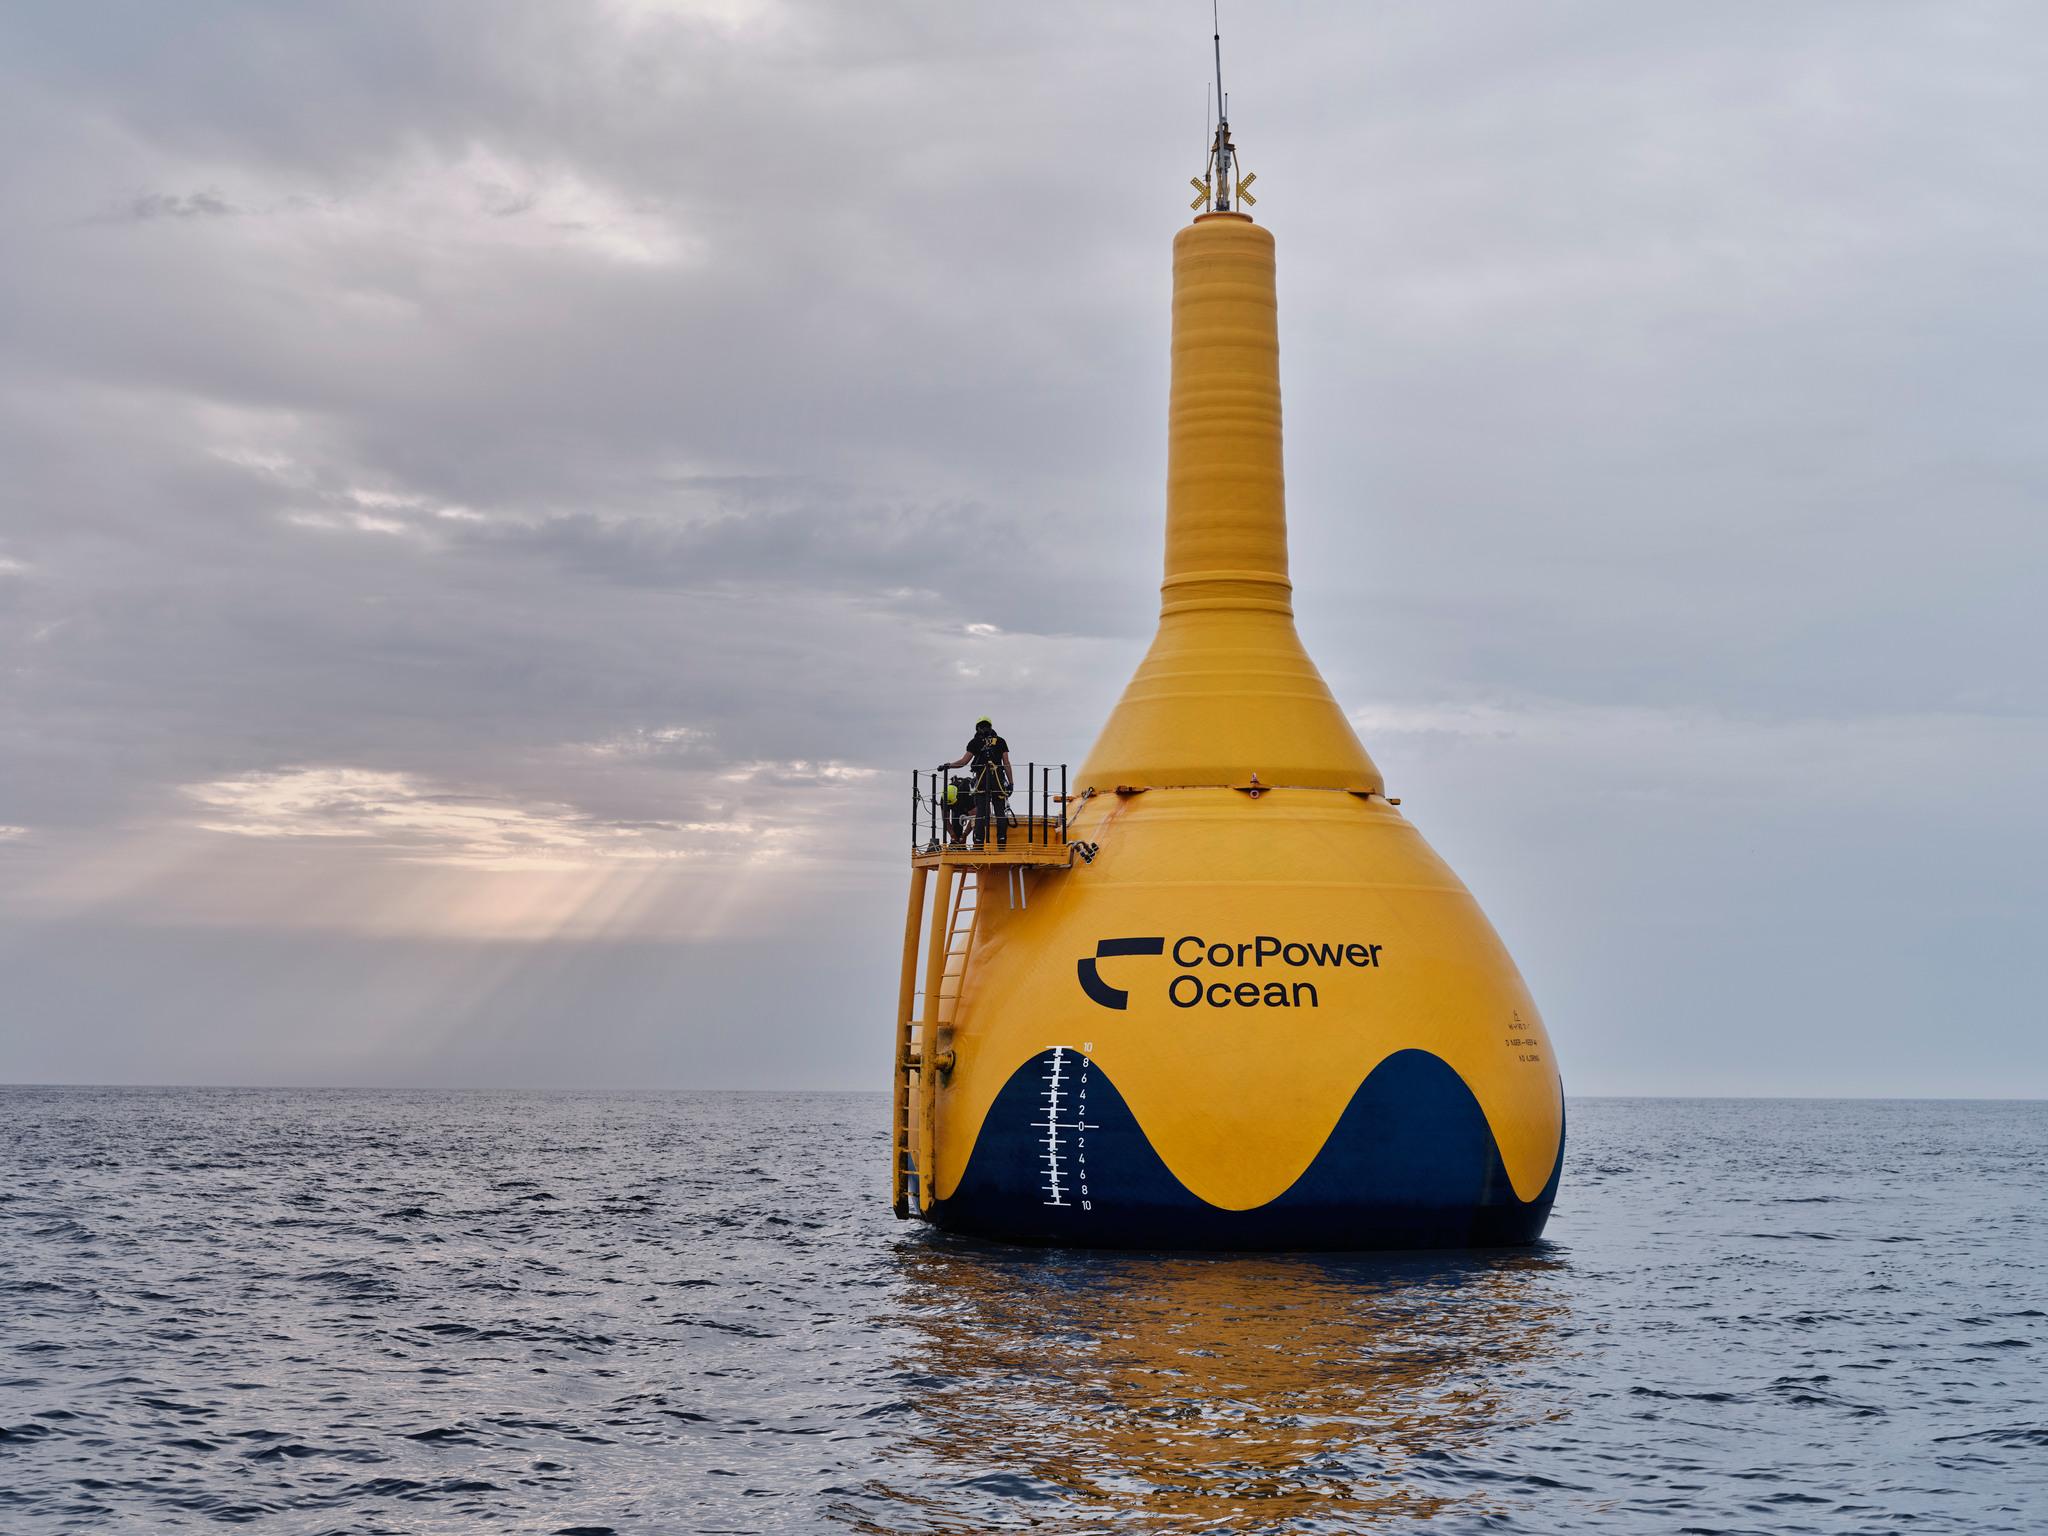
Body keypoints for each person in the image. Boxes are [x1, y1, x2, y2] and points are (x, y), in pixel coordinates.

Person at [938, 716, 1013, 849]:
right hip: (998, 781)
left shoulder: (975, 742)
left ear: (977, 728)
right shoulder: (1000, 741)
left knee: (981, 814)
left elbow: (963, 762)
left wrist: (947, 765)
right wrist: (1011, 783)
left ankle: (978, 844)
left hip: (982, 781)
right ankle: (1002, 843)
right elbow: (1006, 763)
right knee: (1000, 811)